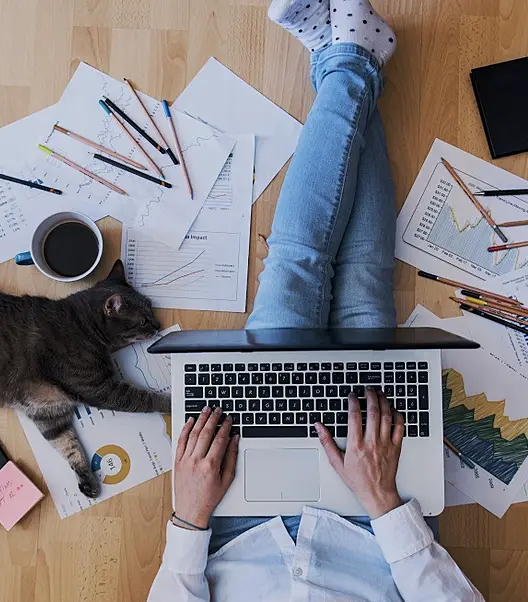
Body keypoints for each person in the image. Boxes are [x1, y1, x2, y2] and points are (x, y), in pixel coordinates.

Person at [147, 1, 484, 600]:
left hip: (234, 519)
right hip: (372, 527)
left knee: (299, 267)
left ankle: (352, 58)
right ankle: (350, 61)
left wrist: (188, 521)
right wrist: (382, 501)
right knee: (358, 279)